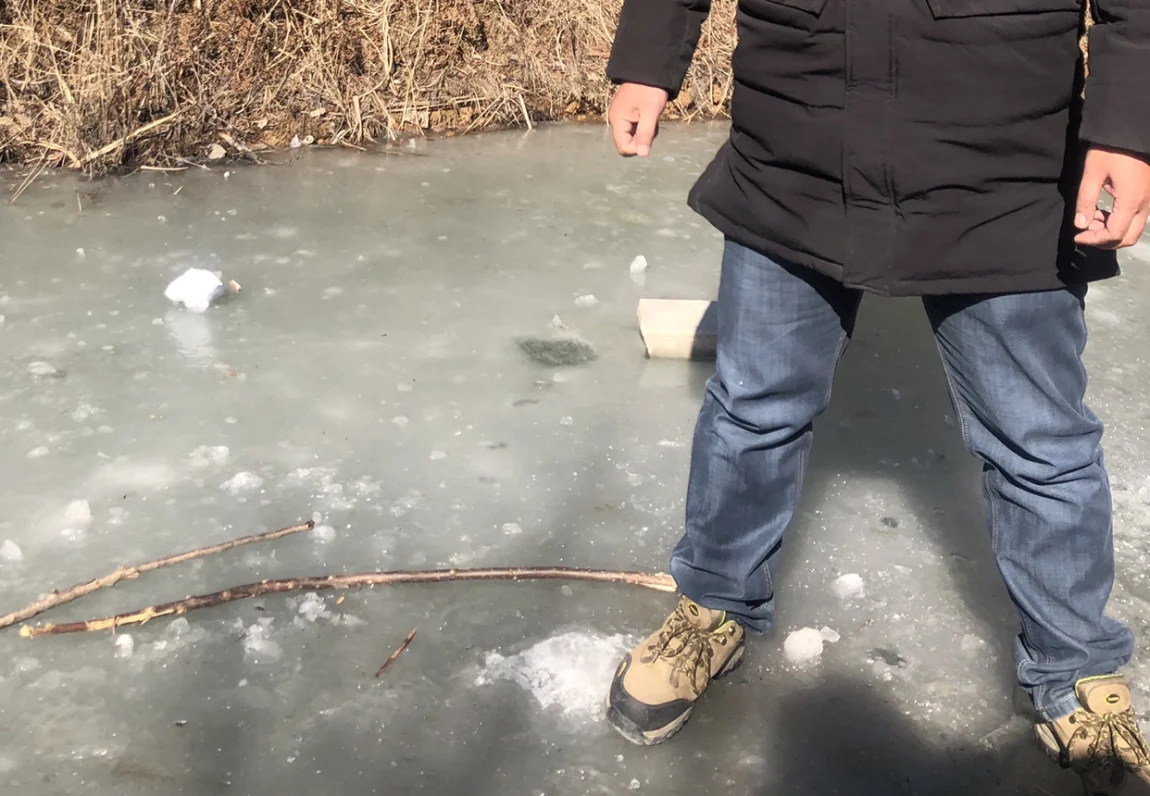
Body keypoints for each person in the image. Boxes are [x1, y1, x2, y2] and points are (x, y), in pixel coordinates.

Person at [601, 0, 1150, 791]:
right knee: (751, 410)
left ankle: (1075, 670)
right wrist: (648, 61)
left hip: (1003, 164)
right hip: (794, 144)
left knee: (1041, 446)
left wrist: (1127, 126)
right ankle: (713, 604)